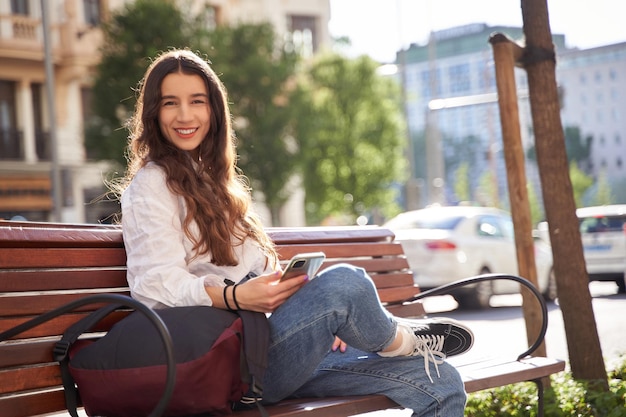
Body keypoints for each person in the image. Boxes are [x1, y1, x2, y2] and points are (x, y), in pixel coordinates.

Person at [117, 49, 474, 416]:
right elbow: (154, 285)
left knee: (441, 382)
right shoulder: (152, 185)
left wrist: (319, 321)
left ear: (215, 111)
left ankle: (387, 335)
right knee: (345, 284)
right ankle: (402, 340)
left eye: (197, 101)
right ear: (154, 113)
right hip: (231, 366)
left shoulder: (215, 183)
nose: (185, 115)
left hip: (273, 350)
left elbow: (257, 275)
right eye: (170, 103)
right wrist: (236, 296)